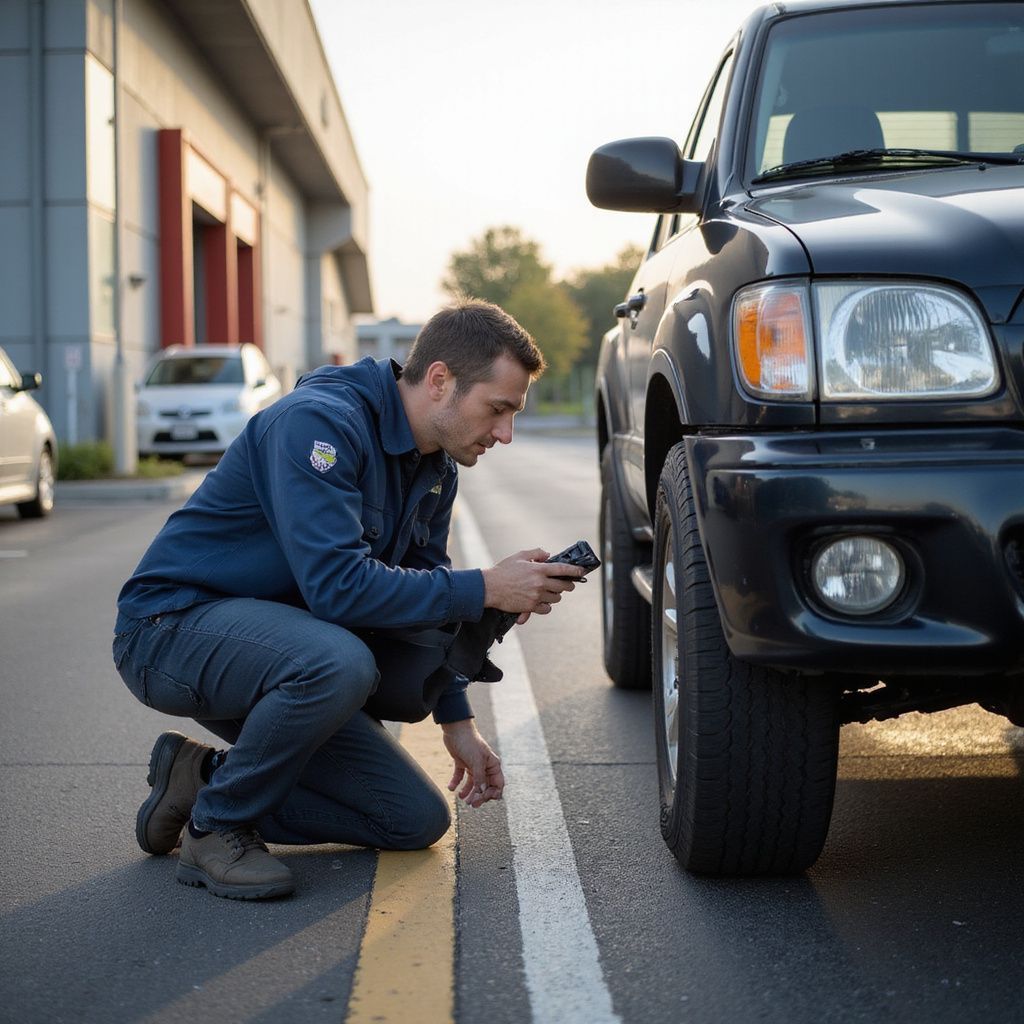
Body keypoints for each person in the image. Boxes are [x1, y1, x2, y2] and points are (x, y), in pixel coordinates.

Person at [112, 299, 585, 900]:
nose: (505, 433)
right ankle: (218, 826)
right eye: (498, 409)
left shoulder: (436, 467)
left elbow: (426, 600)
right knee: (339, 662)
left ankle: (200, 778)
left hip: (284, 651)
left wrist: (457, 721)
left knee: (413, 820)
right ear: (440, 381)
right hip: (172, 629)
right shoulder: (320, 424)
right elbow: (337, 587)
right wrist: (487, 585)